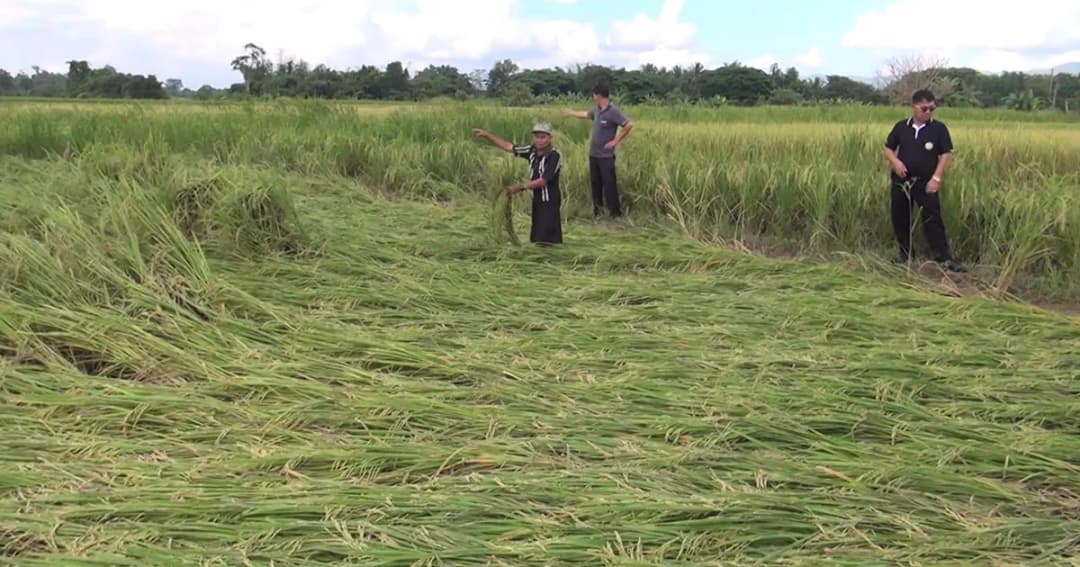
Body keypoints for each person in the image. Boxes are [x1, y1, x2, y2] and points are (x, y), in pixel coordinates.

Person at [883, 89, 965, 272]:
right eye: (924, 108)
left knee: (932, 219)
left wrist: (936, 178)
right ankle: (905, 254)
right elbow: (888, 148)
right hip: (901, 181)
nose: (928, 112)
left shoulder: (939, 129)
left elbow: (945, 154)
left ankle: (943, 257)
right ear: (914, 107)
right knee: (900, 218)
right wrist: (895, 162)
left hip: (926, 182)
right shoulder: (901, 127)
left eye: (932, 108)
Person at [472, 122, 563, 246]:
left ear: (550, 138)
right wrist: (488, 135)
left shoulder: (554, 156)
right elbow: (510, 147)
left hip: (549, 200)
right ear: (533, 138)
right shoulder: (531, 150)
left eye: (543, 137)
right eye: (537, 137)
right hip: (537, 198)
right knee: (537, 231)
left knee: (547, 233)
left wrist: (519, 187)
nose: (540, 140)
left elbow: (543, 180)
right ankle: (541, 252)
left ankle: (550, 256)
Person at [562, 84, 634, 220]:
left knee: (609, 184)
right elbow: (585, 114)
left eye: (594, 95)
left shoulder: (613, 111)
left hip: (606, 156)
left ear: (599, 95)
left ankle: (615, 214)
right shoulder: (597, 110)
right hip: (593, 154)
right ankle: (598, 212)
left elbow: (628, 125)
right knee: (596, 184)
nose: (593, 98)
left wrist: (615, 141)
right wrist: (570, 113)